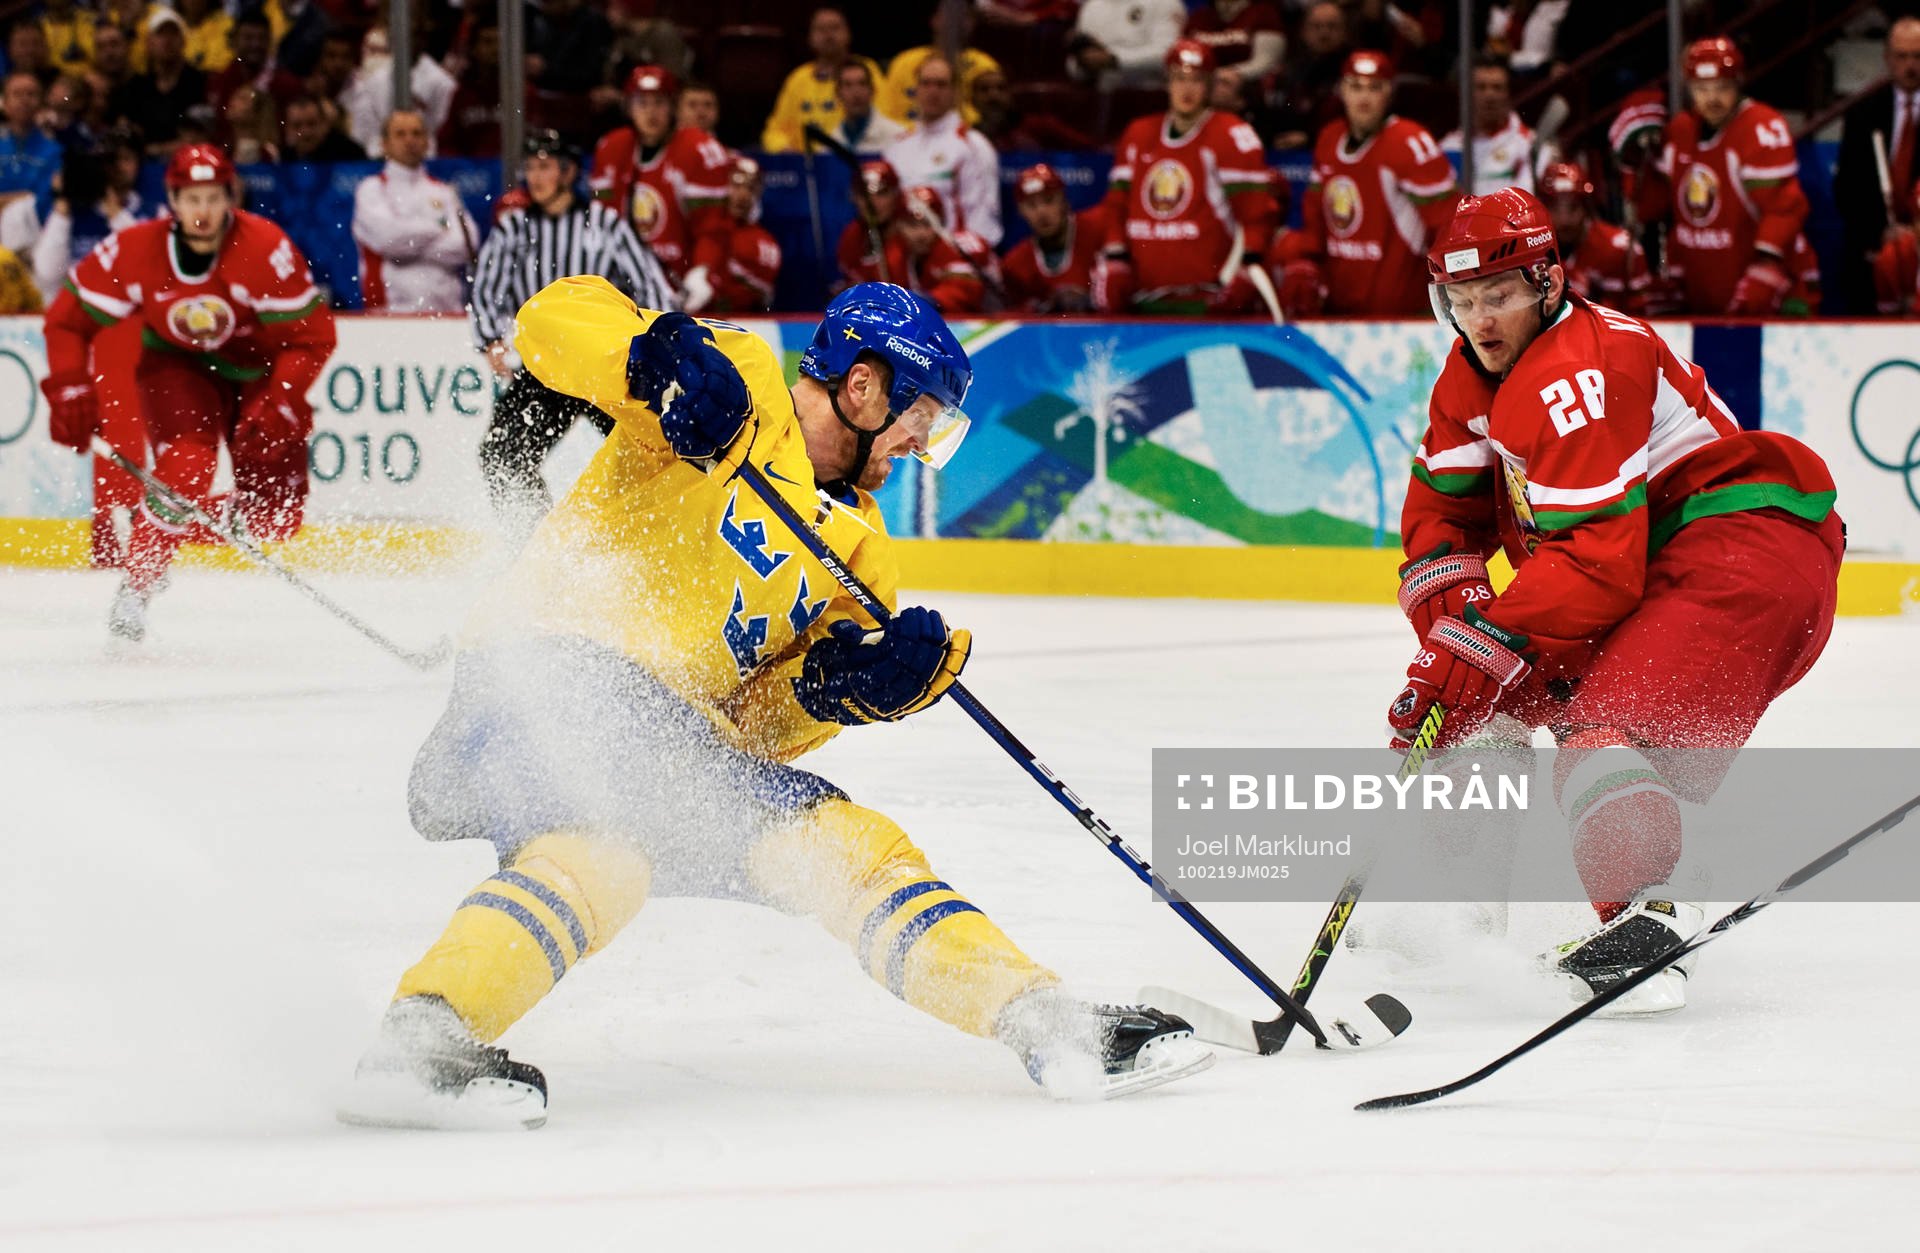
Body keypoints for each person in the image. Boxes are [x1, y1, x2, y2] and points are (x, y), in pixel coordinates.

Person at [335, 278, 1213, 1130]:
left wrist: (841, 692)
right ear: (864, 386)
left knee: (684, 855)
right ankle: (423, 1037)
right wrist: (648, 357)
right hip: (545, 671)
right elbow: (549, 320)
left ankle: (423, 1040)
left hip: (659, 744)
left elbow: (751, 730)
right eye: (920, 420)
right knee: (655, 847)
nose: (920, 444)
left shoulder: (863, 560)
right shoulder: (742, 382)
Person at [1389, 187, 1840, 1014]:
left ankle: (1648, 918)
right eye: (1462, 300)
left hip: (1740, 549)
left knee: (1599, 728)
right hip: (1656, 563)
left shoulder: (1581, 367)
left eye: (1501, 295)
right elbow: (1441, 516)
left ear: (1549, 284)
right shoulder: (1469, 375)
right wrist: (1454, 636)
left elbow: (1600, 562)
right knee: (1477, 702)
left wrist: (1478, 637)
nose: (1481, 319)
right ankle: (1457, 912)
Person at [40, 143, 337, 642]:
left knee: (275, 521)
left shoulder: (264, 246)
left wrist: (284, 397)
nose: (202, 211)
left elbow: (311, 338)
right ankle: (139, 582)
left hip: (259, 371)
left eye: (212, 198)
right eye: (191, 198)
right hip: (178, 367)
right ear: (173, 202)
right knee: (188, 462)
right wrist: (69, 386)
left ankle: (156, 514)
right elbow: (67, 320)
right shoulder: (136, 249)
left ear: (230, 198)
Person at [471, 129, 676, 540]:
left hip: (607, 367)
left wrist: (657, 341)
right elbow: (485, 287)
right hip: (548, 369)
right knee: (500, 454)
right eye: (530, 168)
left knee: (656, 457)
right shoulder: (515, 228)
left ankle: (659, 541)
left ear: (567, 172)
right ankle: (538, 546)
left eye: (544, 166)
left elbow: (652, 285)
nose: (535, 176)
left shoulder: (605, 224)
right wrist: (492, 338)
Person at [1267, 49, 1456, 317]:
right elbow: (1315, 216)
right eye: (1355, 87)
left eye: (1374, 88)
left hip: (1401, 316)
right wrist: (1306, 261)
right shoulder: (1329, 139)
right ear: (1342, 90)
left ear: (1389, 93)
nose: (1364, 97)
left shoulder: (1411, 143)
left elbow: (1448, 225)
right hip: (1338, 311)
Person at [1095, 40, 1278, 315]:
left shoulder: (1230, 133)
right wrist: (1115, 257)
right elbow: (1117, 205)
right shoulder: (1138, 133)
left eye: (1197, 80)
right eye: (1180, 78)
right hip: (1144, 299)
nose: (1187, 89)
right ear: (1167, 82)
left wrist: (1246, 266)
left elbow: (1256, 215)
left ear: (1210, 85)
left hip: (1208, 301)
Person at [1636, 37, 1809, 316]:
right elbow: (1653, 207)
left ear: (1738, 84)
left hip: (1768, 285)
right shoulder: (1680, 131)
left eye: (1722, 88)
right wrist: (1634, 162)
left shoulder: (1761, 127)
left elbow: (1784, 207)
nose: (1712, 98)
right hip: (1702, 285)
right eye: (1702, 89)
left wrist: (1766, 265)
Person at [587, 64, 732, 280]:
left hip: (680, 278)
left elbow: (712, 227)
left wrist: (703, 271)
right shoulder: (611, 147)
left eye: (659, 103)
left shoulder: (698, 149)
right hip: (624, 277)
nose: (650, 112)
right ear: (628, 107)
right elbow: (601, 223)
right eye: (642, 103)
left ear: (673, 106)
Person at [352, 110, 477, 313]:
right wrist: (438, 228)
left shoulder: (444, 191)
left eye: (416, 133)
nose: (410, 140)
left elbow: (465, 246)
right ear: (384, 144)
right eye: (400, 134)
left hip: (446, 311)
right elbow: (389, 239)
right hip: (389, 312)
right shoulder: (371, 189)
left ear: (427, 142)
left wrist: (407, 246)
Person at [1835, 16, 1920, 314]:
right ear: (1887, 58)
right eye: (1902, 56)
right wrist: (1881, 232)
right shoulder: (1863, 111)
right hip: (1873, 244)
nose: (1910, 65)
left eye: (1917, 56)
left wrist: (1915, 232)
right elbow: (1847, 189)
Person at [883, 54, 1003, 247]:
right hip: (905, 261)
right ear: (916, 89)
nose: (933, 91)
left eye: (941, 84)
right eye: (926, 83)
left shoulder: (974, 146)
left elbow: (984, 226)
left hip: (953, 260)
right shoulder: (896, 148)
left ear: (955, 92)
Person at [760, 7, 883, 153]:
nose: (828, 35)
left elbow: (884, 119)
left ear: (848, 34)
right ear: (810, 38)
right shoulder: (798, 78)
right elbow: (774, 131)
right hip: (806, 163)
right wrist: (784, 149)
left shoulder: (865, 70)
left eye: (835, 28)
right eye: (820, 29)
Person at [1538, 161, 1648, 313]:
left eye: (1573, 207)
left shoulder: (1615, 248)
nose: (1564, 219)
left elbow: (1629, 318)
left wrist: (1590, 297)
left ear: (1586, 208)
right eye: (1555, 208)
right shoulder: (1532, 250)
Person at [1001, 161, 1106, 313]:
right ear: (1020, 211)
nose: (1042, 213)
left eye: (1049, 200)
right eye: (1031, 205)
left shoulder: (1098, 228)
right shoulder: (1015, 264)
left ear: (1064, 201)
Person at [682, 155, 781, 315]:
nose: (743, 195)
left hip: (740, 326)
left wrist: (711, 287)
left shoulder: (765, 244)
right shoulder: (703, 226)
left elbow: (747, 298)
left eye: (750, 188)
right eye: (736, 185)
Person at [879, 0, 1002, 126]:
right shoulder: (905, 61)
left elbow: (989, 117)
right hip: (904, 137)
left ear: (973, 24)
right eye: (950, 14)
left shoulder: (984, 64)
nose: (956, 21)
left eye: (965, 16)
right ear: (935, 20)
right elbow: (887, 113)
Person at [109, 10, 212, 156]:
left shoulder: (198, 82)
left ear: (183, 41)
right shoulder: (136, 86)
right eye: (161, 34)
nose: (167, 40)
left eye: (173, 34)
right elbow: (125, 130)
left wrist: (154, 149)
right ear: (149, 43)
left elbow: (198, 138)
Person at [1440, 56, 1540, 197]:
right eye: (1481, 87)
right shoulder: (1448, 149)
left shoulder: (1532, 146)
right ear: (1466, 94)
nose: (1490, 95)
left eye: (1497, 88)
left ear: (1508, 94)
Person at [890, 183, 995, 313]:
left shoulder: (959, 247)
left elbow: (963, 293)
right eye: (912, 225)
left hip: (1000, 324)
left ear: (942, 222)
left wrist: (923, 302)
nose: (920, 234)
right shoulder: (896, 253)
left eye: (928, 224)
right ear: (898, 225)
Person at [1068, 0, 1188, 91]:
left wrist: (1114, 59)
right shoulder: (1092, 6)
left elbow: (1169, 55)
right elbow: (1074, 66)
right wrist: (1085, 62)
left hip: (1149, 97)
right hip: (1102, 98)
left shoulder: (1165, 3)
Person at [836, 157, 902, 289]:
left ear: (896, 195)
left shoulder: (915, 234)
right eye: (864, 194)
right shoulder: (851, 235)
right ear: (854, 197)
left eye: (881, 193)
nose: (872, 203)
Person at [0, 72, 59, 215]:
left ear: (41, 103)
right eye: (17, 94)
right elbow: (31, 198)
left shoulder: (55, 151)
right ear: (4, 103)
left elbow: (45, 200)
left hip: (36, 231)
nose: (24, 100)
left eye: (31, 94)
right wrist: (25, 197)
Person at [1183, 0, 1286, 81]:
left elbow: (1266, 63)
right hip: (1198, 89)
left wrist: (1228, 75)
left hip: (1246, 92)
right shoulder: (1199, 17)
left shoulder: (1264, 13)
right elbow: (1182, 59)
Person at [823, 60, 907, 156]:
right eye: (848, 85)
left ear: (872, 90)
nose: (856, 93)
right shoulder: (830, 144)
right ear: (838, 94)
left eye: (862, 84)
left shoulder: (897, 136)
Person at [278, 92, 366, 162]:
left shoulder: (350, 154)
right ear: (287, 128)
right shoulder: (281, 160)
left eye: (311, 124)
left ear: (324, 124)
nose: (305, 132)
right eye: (297, 126)